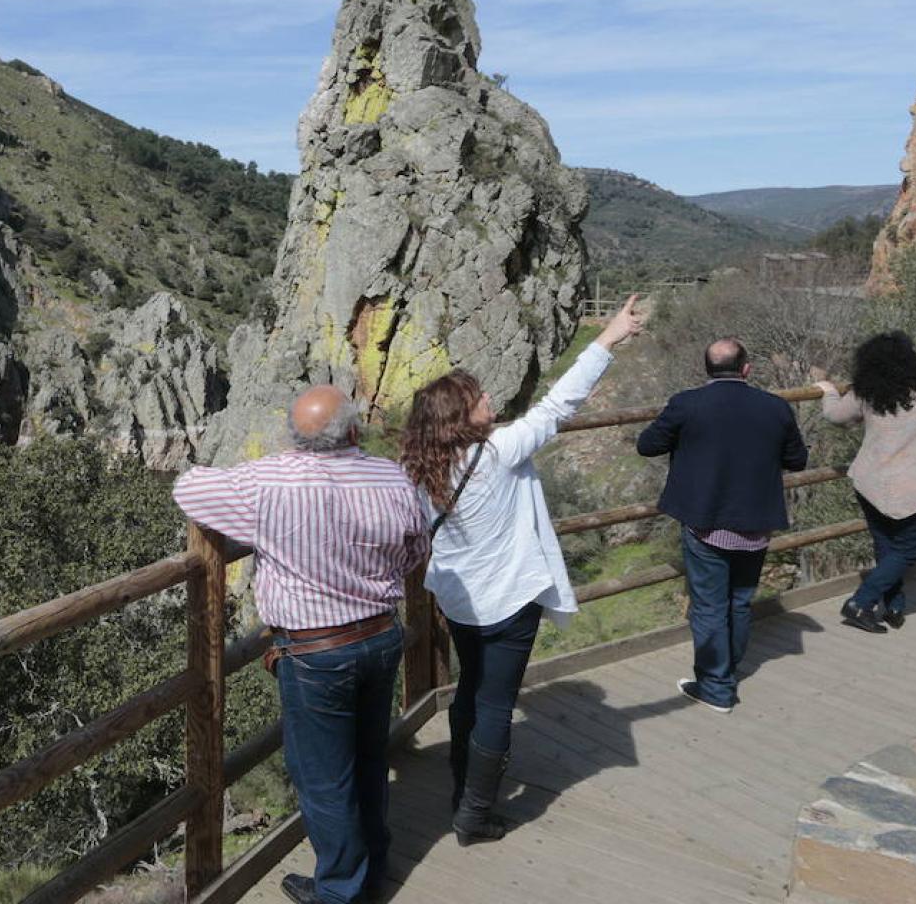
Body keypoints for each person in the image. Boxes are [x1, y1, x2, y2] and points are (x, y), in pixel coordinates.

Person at [402, 294, 648, 846]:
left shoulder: (421, 468)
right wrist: (608, 338)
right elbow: (561, 404)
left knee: (471, 690)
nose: (490, 397)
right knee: (494, 702)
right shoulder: (499, 451)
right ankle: (475, 814)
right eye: (478, 397)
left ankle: (462, 789)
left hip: (461, 601)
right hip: (511, 599)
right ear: (461, 417)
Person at [173, 385, 429, 904]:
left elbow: (189, 487)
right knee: (368, 755)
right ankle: (370, 865)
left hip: (315, 653)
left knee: (325, 777)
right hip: (380, 635)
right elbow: (416, 547)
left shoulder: (268, 480)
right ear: (355, 432)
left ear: (293, 438)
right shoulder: (393, 477)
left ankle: (339, 892)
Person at [636, 338, 807, 714]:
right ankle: (727, 670)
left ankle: (716, 687)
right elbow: (797, 460)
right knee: (740, 602)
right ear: (746, 369)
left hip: (706, 522)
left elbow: (647, 445)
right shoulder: (775, 407)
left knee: (710, 605)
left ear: (707, 370)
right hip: (757, 524)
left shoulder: (688, 403)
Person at [811, 332, 916, 633]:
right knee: (909, 551)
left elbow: (835, 416)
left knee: (886, 545)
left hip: (870, 481)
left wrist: (828, 390)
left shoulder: (866, 391)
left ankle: (894, 604)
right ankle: (860, 602)